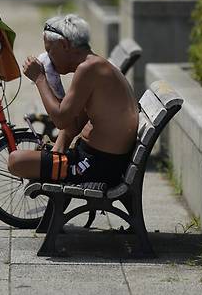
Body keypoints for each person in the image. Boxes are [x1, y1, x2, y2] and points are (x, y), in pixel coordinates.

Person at [8, 14, 139, 186]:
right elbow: (72, 123)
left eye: (49, 51)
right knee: (27, 158)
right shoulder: (94, 65)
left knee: (16, 160)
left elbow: (61, 120)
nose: (48, 58)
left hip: (96, 166)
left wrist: (40, 79)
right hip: (99, 160)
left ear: (64, 45)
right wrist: (58, 149)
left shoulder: (88, 70)